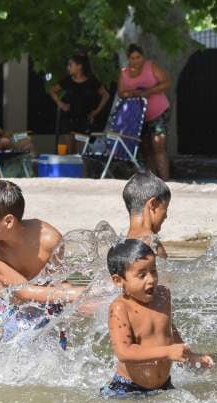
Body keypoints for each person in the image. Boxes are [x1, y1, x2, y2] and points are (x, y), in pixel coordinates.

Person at [0, 180, 84, 348]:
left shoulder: (49, 240)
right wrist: (78, 293)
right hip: (7, 307)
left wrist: (82, 301)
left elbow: (58, 280)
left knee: (60, 355)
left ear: (8, 221)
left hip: (47, 306)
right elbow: (22, 291)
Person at [103, 239, 214, 396]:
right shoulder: (120, 308)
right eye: (141, 275)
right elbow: (124, 352)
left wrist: (190, 356)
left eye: (154, 271)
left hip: (164, 386)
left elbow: (168, 330)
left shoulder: (163, 295)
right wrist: (168, 352)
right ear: (119, 280)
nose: (151, 279)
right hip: (128, 390)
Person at [118, 44, 172, 180]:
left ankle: (166, 180)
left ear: (143, 57)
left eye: (138, 57)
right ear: (128, 59)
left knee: (158, 144)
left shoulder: (151, 66)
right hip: (138, 116)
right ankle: (153, 180)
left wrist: (149, 91)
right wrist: (133, 93)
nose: (136, 60)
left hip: (158, 111)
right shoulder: (124, 73)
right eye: (132, 58)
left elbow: (166, 83)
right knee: (145, 148)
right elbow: (121, 93)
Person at [49, 52, 110, 153]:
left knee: (82, 153)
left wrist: (97, 111)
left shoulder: (91, 81)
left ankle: (84, 168)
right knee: (70, 151)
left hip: (84, 119)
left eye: (70, 65)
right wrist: (60, 104)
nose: (68, 68)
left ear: (79, 66)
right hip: (68, 119)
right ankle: (70, 168)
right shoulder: (67, 80)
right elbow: (52, 91)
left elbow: (106, 95)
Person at [122, 170, 170, 259]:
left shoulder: (122, 245)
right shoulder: (151, 243)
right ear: (153, 204)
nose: (166, 216)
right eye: (165, 209)